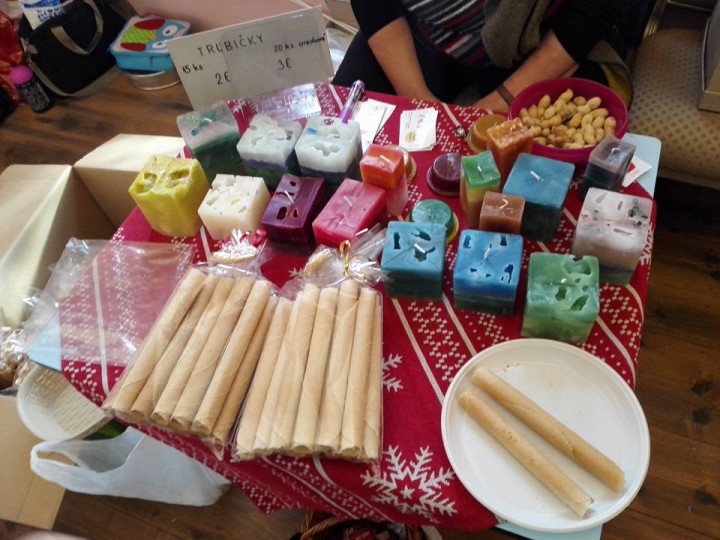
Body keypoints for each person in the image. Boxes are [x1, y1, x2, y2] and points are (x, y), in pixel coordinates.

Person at [332, 0, 639, 112]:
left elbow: (592, 12)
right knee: (338, 134)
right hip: (417, 32)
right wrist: (417, 99)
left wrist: (502, 100)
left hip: (536, 40)